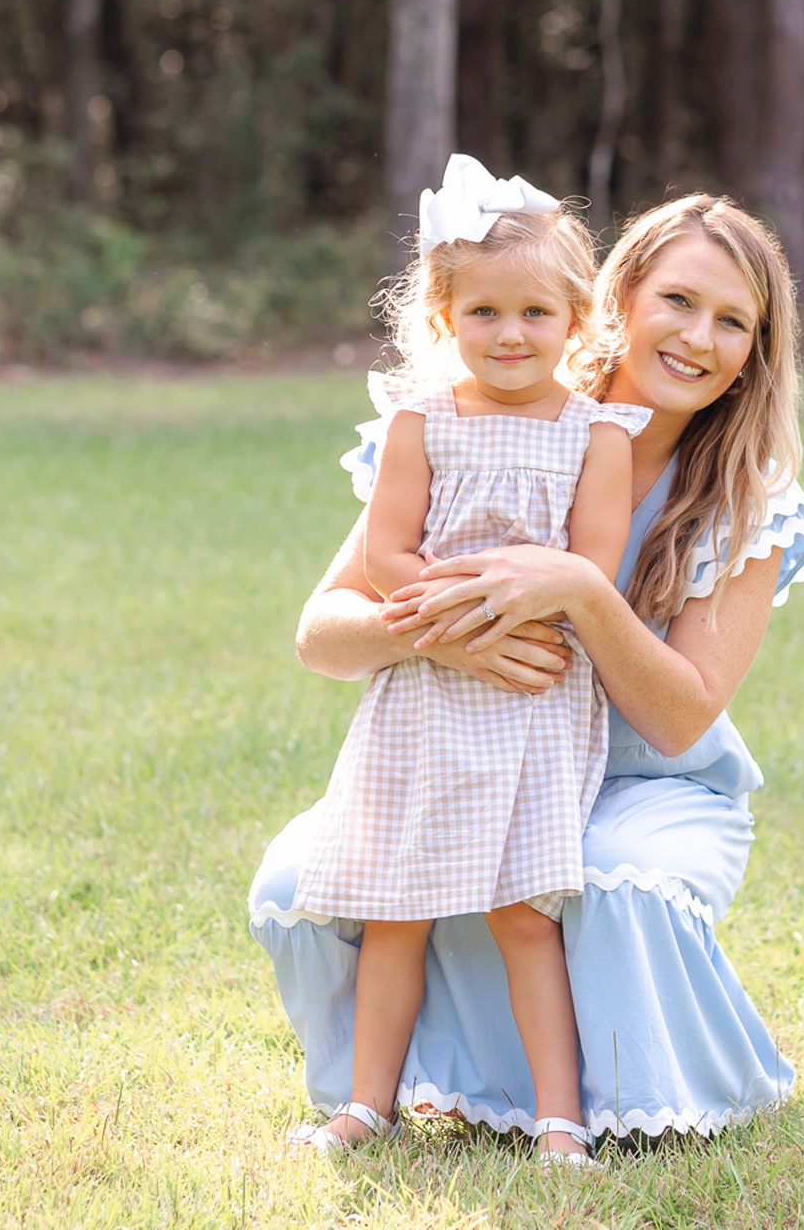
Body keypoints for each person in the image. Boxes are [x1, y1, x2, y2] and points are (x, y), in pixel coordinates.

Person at [251, 192, 804, 1145]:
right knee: (295, 886)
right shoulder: (473, 424)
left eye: (734, 323)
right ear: (620, 299)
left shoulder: (746, 499)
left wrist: (576, 589)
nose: (698, 337)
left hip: (649, 783)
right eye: (678, 301)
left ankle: (599, 1102)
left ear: (756, 351)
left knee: (606, 882)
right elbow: (325, 631)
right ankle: (406, 1088)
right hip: (474, 746)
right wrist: (439, 630)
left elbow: (681, 718)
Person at [285, 155, 647, 1166]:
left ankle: (560, 1118)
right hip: (427, 693)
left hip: (535, 693)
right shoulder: (421, 419)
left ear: (576, 319)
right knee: (395, 911)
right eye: (484, 311)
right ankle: (366, 1104)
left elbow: (589, 567)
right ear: (445, 314)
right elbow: (387, 550)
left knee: (522, 914)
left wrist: (495, 615)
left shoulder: (597, 434)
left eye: (535, 312)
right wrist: (464, 621)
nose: (511, 334)